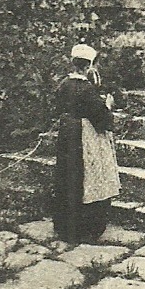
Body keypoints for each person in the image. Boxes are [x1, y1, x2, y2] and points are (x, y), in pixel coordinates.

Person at [52, 44, 121, 244]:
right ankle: (86, 229)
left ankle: (65, 227)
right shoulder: (87, 89)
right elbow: (102, 118)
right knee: (88, 177)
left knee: (68, 176)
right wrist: (107, 105)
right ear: (89, 66)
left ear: (73, 63)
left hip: (67, 134)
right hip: (85, 135)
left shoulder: (64, 84)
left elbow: (57, 106)